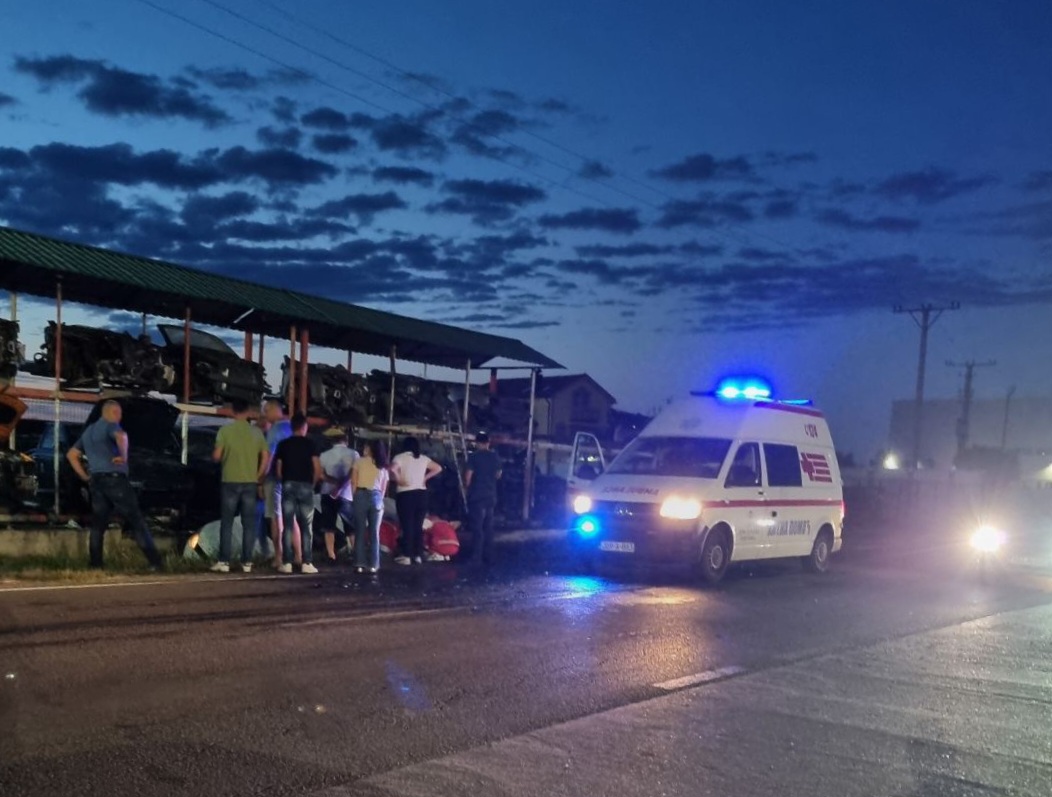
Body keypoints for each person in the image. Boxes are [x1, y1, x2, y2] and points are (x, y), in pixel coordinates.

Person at [66, 399, 164, 570]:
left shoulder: (89, 431)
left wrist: (85, 476)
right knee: (136, 520)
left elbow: (71, 455)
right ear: (114, 412)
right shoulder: (111, 425)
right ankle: (155, 562)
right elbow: (122, 436)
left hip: (96, 481)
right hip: (115, 480)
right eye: (120, 414)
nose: (120, 417)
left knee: (98, 524)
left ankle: (96, 564)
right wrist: (123, 456)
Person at [211, 398, 269, 573]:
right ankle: (247, 562)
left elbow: (217, 456)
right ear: (248, 412)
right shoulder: (257, 433)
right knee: (249, 524)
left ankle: (224, 561)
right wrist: (258, 475)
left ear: (233, 412)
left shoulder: (224, 431)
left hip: (229, 481)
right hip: (250, 482)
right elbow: (265, 456)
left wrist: (220, 456)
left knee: (227, 523)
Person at [273, 413, 322, 574]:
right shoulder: (310, 444)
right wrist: (312, 484)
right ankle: (307, 562)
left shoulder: (283, 444)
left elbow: (278, 470)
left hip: (288, 485)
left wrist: (285, 480)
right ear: (304, 427)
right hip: (306, 485)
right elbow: (317, 468)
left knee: (287, 525)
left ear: (291, 426)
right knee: (307, 525)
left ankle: (287, 562)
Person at [389, 436, 442, 565]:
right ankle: (418, 554)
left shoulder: (400, 457)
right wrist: (425, 478)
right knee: (418, 525)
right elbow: (438, 468)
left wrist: (399, 479)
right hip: (421, 494)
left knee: (407, 525)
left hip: (406, 494)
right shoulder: (423, 458)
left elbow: (392, 469)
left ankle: (407, 555)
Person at [262, 400, 300, 568]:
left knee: (276, 518)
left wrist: (261, 478)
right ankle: (299, 555)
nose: (265, 415)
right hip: (293, 478)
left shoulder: (275, 430)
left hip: (275, 479)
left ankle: (279, 556)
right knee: (292, 518)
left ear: (273, 410)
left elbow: (269, 457)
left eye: (266, 411)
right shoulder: (292, 427)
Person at [319, 427, 359, 562]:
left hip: (327, 492)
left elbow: (320, 474)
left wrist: (333, 482)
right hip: (347, 494)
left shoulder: (324, 455)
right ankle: (355, 553)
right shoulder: (354, 454)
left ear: (332, 441)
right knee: (350, 526)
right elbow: (354, 474)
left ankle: (331, 554)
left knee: (328, 526)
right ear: (346, 440)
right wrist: (341, 485)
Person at [351, 439, 389, 574]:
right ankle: (374, 564)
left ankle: (359, 564)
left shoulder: (359, 462)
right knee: (374, 533)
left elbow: (353, 482)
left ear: (369, 449)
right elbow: (383, 489)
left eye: (366, 447)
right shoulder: (382, 466)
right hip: (377, 497)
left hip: (361, 494)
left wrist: (355, 496)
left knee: (360, 531)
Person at [464, 431, 502, 566]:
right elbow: (498, 474)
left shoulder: (473, 457)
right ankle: (489, 557)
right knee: (489, 527)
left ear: (477, 443)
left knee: (477, 527)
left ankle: (476, 557)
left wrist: (466, 488)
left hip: (477, 496)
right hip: (491, 495)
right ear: (488, 443)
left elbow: (468, 477)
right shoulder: (495, 456)